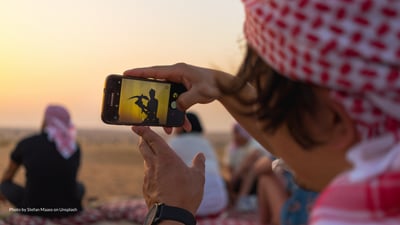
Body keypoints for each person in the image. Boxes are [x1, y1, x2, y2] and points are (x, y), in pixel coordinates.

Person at [124, 0, 400, 224]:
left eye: (266, 102)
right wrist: (226, 88)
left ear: (334, 119)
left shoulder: (349, 215)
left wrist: (170, 214)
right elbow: (295, 148)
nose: (263, 121)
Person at [0, 104, 85, 218]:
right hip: (69, 209)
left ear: (46, 121)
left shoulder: (27, 143)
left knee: (4, 185)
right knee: (80, 186)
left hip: (32, 208)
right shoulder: (73, 148)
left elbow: (8, 174)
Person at [168, 112, 228, 218]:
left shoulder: (175, 142)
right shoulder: (205, 142)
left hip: (190, 210)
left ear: (182, 126)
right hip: (218, 206)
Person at [224, 123, 270, 211]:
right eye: (234, 133)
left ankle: (242, 198)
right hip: (238, 181)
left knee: (251, 169)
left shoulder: (254, 144)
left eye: (237, 133)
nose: (235, 136)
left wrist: (237, 174)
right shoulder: (231, 148)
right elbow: (230, 169)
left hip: (256, 179)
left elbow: (254, 156)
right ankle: (237, 199)